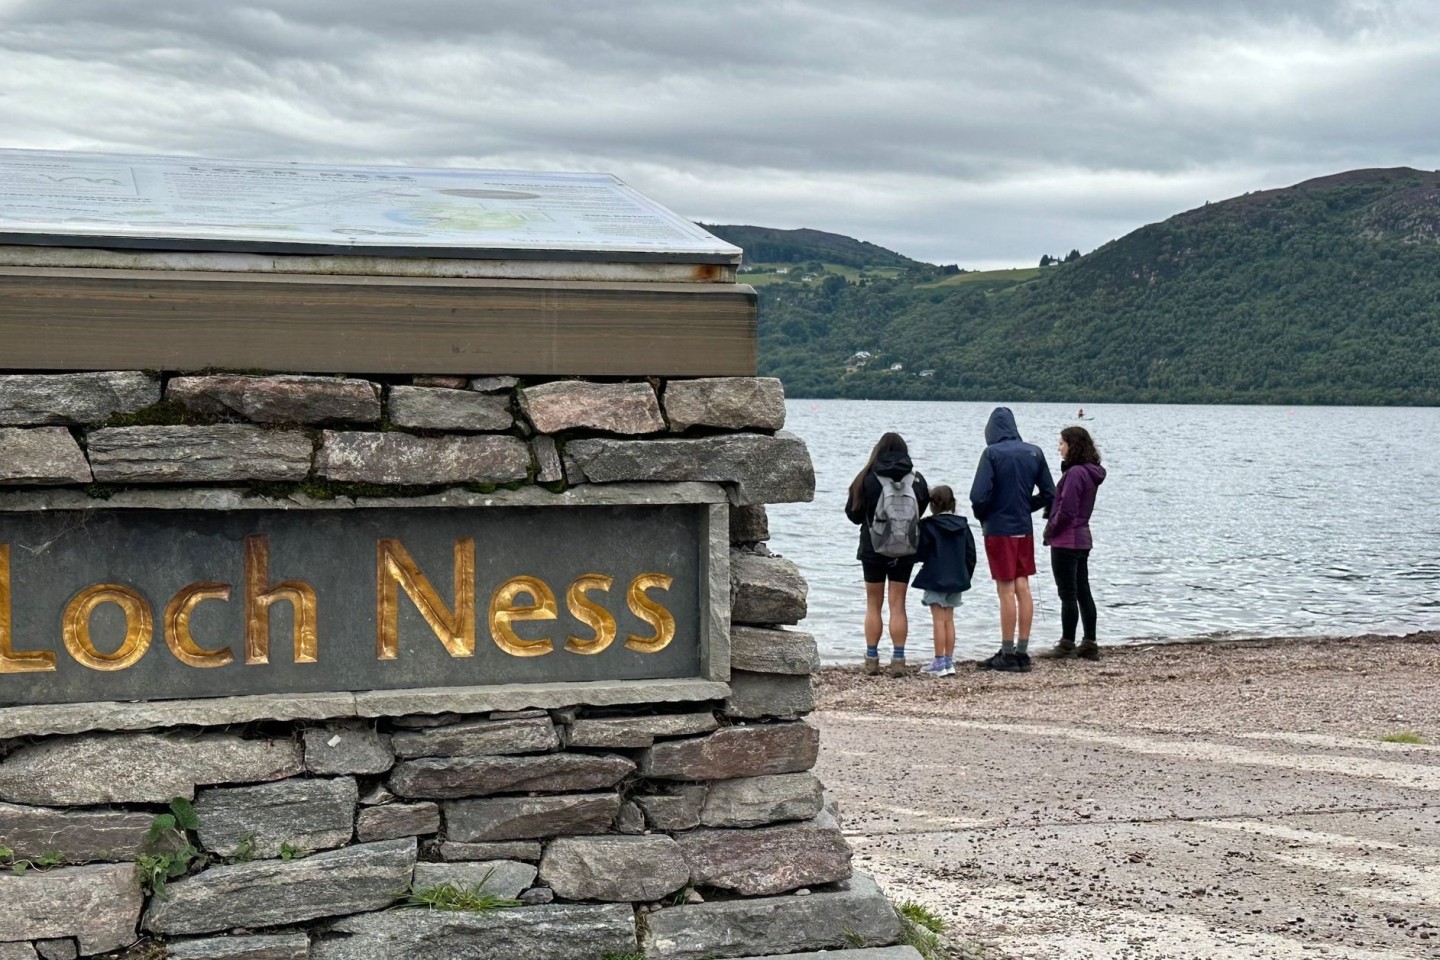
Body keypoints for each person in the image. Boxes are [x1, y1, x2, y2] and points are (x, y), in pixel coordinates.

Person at [969, 408, 1055, 672]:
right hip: (1023, 529)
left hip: (999, 529)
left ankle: (1006, 653)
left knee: (1005, 590)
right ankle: (1022, 651)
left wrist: (984, 516)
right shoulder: (1035, 452)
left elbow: (978, 496)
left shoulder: (992, 454)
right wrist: (1025, 505)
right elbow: (1051, 492)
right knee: (1023, 587)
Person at [846, 432, 930, 676]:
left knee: (873, 604)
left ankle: (872, 658)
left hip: (873, 548)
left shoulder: (866, 478)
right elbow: (921, 510)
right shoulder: (917, 480)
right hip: (905, 549)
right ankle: (898, 660)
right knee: (898, 604)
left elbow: (852, 515)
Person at [1039, 426, 1107, 660]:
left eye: (1062, 443)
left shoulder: (1075, 473)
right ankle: (1089, 641)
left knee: (1068, 593)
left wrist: (1049, 530)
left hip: (1066, 540)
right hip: (1082, 537)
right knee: (1083, 591)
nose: (1059, 448)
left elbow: (1066, 511)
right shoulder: (1090, 472)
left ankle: (1067, 642)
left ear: (1072, 445)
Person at [910, 485, 977, 677]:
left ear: (933, 505)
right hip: (957, 578)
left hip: (935, 578)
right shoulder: (963, 525)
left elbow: (921, 552)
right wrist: (965, 576)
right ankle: (948, 660)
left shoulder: (929, 525)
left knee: (938, 620)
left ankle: (939, 662)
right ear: (953, 503)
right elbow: (970, 554)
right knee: (949, 619)